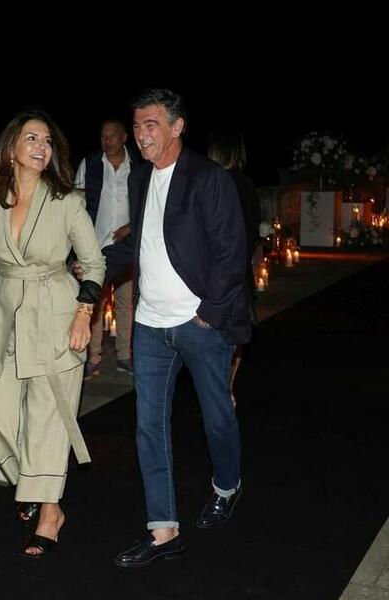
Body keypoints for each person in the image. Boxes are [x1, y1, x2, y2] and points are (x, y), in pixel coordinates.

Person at [114, 89, 252, 567]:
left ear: (177, 126)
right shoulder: (140, 179)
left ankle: (227, 486)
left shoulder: (209, 178)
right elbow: (140, 244)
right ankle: (163, 530)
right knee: (148, 426)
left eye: (151, 124)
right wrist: (89, 266)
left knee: (217, 415)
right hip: (149, 326)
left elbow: (233, 252)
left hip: (199, 324)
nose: (141, 134)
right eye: (137, 126)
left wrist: (209, 312)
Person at [0, 108, 105, 557]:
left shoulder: (66, 201)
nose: (41, 147)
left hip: (56, 313)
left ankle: (50, 512)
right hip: (5, 315)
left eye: (47, 141)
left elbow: (94, 262)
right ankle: (30, 479)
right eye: (31, 138)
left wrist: (83, 315)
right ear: (11, 148)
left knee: (48, 417)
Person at [74, 119, 137, 379]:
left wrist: (132, 227)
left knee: (125, 303)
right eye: (103, 136)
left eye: (112, 135)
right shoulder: (89, 164)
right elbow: (76, 204)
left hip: (125, 248)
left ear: (124, 138)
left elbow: (147, 205)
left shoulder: (138, 166)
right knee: (94, 303)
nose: (106, 140)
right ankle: (93, 358)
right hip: (95, 248)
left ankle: (124, 356)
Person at [207, 129, 261, 407]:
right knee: (236, 333)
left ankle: (218, 390)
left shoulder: (215, 182)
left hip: (217, 270)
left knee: (216, 332)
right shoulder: (246, 183)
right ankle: (228, 389)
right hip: (241, 270)